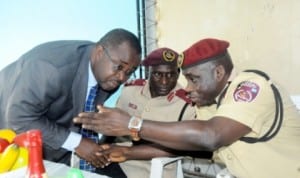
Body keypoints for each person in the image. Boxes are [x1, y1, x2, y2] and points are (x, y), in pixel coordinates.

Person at [74, 38, 300, 178]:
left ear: (218, 73)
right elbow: (192, 144)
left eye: (194, 79)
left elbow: (210, 137)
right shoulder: (211, 103)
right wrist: (126, 151)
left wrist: (133, 125)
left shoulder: (252, 86)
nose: (188, 87)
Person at [0, 28, 141, 178]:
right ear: (100, 52)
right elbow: (19, 117)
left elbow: (70, 113)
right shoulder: (51, 67)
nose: (122, 78)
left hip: (48, 146)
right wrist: (77, 143)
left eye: (129, 72)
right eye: (119, 67)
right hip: (7, 139)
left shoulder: (107, 76)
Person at [114, 47, 197, 178]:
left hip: (154, 171)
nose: (164, 82)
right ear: (148, 71)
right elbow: (113, 127)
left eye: (171, 74)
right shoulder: (131, 90)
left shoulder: (187, 104)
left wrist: (128, 152)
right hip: (118, 164)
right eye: (158, 74)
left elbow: (184, 146)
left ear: (178, 73)